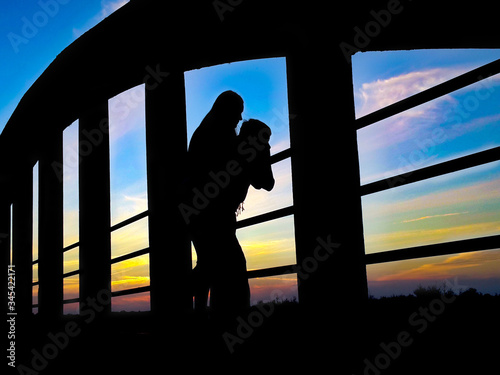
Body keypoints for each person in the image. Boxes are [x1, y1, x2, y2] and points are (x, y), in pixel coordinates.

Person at [182, 91, 274, 320]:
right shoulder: (220, 137)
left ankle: (197, 315)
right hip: (211, 216)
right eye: (236, 114)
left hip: (199, 214)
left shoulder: (210, 133)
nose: (239, 119)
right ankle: (217, 317)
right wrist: (259, 146)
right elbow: (265, 181)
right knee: (229, 267)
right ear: (227, 112)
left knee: (209, 267)